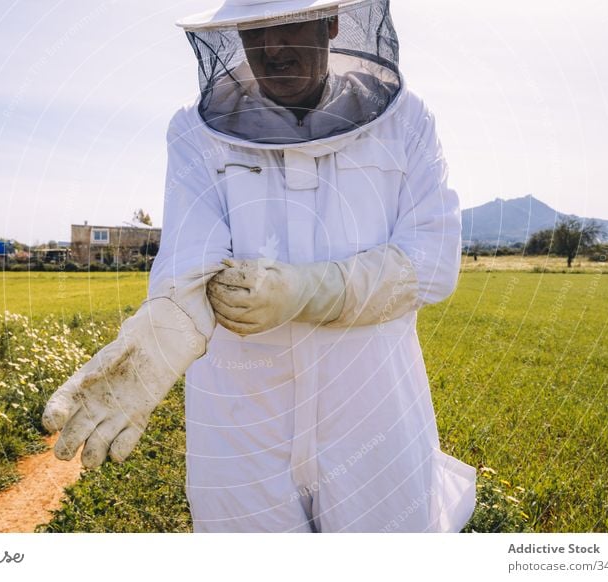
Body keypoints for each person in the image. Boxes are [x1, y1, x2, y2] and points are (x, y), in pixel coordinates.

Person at [42, 0, 476, 533]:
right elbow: (189, 257)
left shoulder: (405, 120)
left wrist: (313, 290)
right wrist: (157, 346)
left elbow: (432, 260)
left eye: (289, 22)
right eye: (254, 30)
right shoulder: (195, 130)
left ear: (332, 21)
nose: (272, 48)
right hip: (239, 410)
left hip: (371, 402)